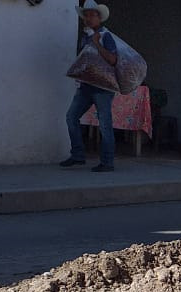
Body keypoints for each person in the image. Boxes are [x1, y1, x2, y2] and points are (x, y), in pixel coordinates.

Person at [61, 1, 118, 173]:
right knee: (71, 117)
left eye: (92, 15)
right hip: (86, 86)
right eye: (86, 15)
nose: (88, 18)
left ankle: (107, 162)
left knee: (105, 125)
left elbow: (113, 60)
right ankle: (78, 155)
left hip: (103, 87)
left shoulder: (105, 36)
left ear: (99, 18)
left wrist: (97, 43)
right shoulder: (85, 36)